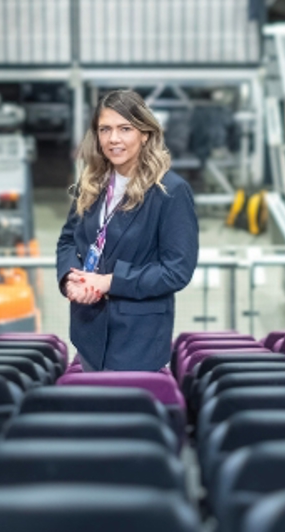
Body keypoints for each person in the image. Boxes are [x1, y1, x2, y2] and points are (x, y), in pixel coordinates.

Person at [55, 90, 199, 372]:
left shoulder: (170, 191)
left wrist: (110, 282)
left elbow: (176, 270)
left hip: (139, 341)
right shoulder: (91, 184)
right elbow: (68, 240)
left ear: (145, 134)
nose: (113, 139)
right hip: (89, 333)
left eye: (125, 129)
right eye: (104, 129)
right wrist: (72, 278)